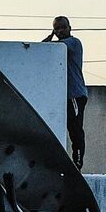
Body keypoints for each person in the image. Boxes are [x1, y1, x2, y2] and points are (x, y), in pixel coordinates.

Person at [43, 16, 87, 167]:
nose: (60, 31)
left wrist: (49, 40)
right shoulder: (57, 44)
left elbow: (53, 48)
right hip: (63, 96)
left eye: (63, 27)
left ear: (70, 28)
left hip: (75, 94)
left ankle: (78, 161)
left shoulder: (73, 43)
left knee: (75, 130)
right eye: (56, 29)